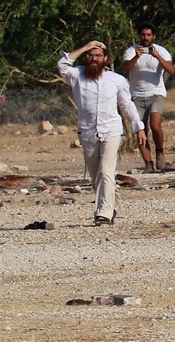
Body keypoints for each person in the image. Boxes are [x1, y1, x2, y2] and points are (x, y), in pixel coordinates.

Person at [57, 41, 147, 226]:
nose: (94, 59)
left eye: (98, 55)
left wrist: (138, 127)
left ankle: (103, 214)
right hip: (88, 132)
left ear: (105, 59)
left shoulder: (116, 80)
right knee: (96, 175)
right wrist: (84, 46)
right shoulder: (78, 76)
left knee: (106, 172)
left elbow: (126, 105)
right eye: (90, 55)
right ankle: (109, 205)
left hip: (112, 131)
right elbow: (62, 65)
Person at [121, 22, 175, 173]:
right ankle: (148, 163)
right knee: (140, 129)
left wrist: (157, 56)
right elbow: (125, 69)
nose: (145, 38)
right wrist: (136, 57)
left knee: (155, 125)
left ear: (154, 36)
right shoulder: (131, 51)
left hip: (156, 93)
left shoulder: (161, 51)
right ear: (139, 36)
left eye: (148, 35)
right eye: (143, 35)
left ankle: (159, 151)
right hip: (137, 95)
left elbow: (171, 70)